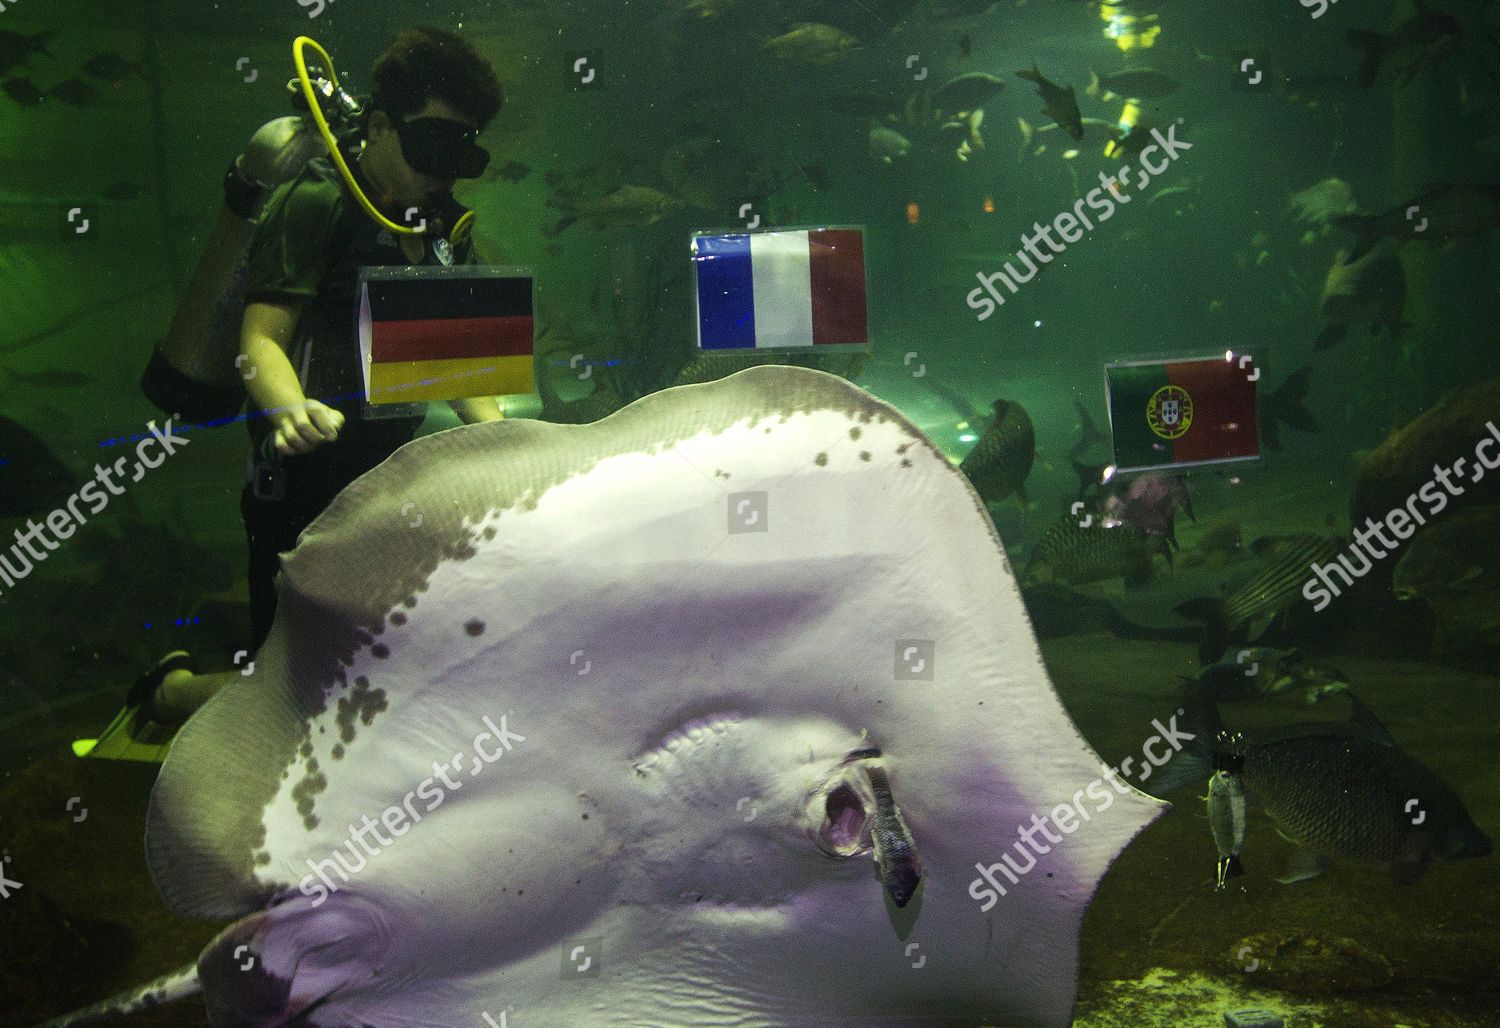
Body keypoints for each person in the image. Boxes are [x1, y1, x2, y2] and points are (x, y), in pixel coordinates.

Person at [82, 27, 507, 758]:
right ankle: (170, 692)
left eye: (460, 154)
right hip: (298, 483)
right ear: (380, 127)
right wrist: (288, 410)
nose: (444, 173)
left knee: (369, 670)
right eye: (430, 147)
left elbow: (461, 370)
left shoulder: (442, 224)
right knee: (292, 697)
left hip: (389, 483)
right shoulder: (316, 202)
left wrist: (517, 452)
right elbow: (260, 340)